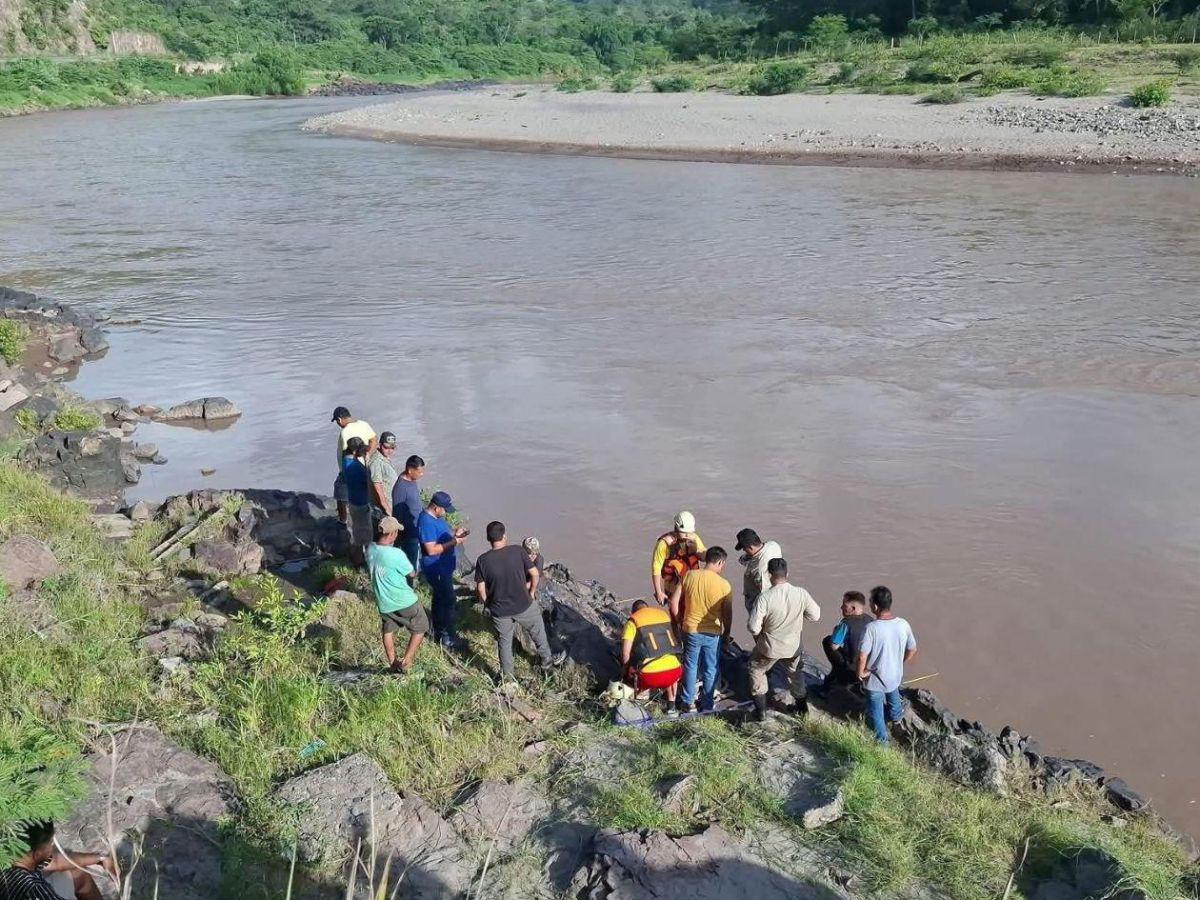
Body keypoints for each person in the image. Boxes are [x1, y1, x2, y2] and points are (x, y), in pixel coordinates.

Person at [474, 521, 564, 683]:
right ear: (504, 536)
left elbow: (481, 590)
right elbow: (535, 574)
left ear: (488, 538)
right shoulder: (517, 551)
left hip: (500, 611)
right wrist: (530, 592)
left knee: (504, 644)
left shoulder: (482, 560)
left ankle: (508, 679)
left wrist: (489, 605)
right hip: (524, 605)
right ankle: (547, 665)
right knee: (538, 634)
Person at [747, 558, 821, 721]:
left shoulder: (765, 597)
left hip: (769, 647)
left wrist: (761, 633)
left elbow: (753, 627)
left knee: (756, 670)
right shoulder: (801, 593)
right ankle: (802, 709)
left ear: (769, 574)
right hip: (793, 647)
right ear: (787, 574)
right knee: (796, 674)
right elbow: (815, 615)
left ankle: (761, 712)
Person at [669, 546, 732, 713]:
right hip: (713, 633)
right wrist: (726, 634)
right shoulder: (724, 585)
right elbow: (727, 615)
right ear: (720, 562)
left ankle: (687, 702)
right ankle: (707, 704)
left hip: (690, 630)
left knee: (690, 665)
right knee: (710, 668)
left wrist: (678, 621)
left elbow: (673, 602)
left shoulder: (689, 575)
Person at [366, 516, 427, 674]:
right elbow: (412, 574)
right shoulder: (396, 554)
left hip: (384, 603)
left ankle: (393, 664)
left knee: (388, 631)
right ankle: (406, 662)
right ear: (392, 534)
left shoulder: (370, 549)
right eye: (396, 532)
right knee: (421, 626)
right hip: (403, 600)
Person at [857, 585, 917, 744]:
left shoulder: (871, 628)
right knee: (893, 693)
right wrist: (900, 661)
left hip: (875, 680)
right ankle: (897, 716)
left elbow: (862, 655)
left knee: (876, 713)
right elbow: (912, 649)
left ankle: (882, 743)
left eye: (870, 602)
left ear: (875, 606)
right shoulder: (903, 624)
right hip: (895, 676)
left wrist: (861, 673)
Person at [0, 820, 114, 900]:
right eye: (51, 844)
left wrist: (100, 858)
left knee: (78, 872)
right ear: (37, 854)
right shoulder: (36, 891)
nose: (53, 847)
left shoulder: (11, 856)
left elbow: (56, 862)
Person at [417, 490, 469, 649]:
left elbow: (443, 533)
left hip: (444, 567)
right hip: (436, 569)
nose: (446, 512)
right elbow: (431, 549)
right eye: (445, 509)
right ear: (436, 507)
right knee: (448, 600)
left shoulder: (437, 518)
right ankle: (448, 638)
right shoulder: (426, 522)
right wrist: (454, 542)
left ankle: (437, 628)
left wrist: (455, 533)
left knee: (439, 598)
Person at [620, 599, 683, 711]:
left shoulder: (633, 621)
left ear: (633, 612)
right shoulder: (664, 615)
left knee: (632, 671)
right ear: (647, 608)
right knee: (670, 662)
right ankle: (671, 707)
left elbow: (625, 654)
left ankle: (638, 702)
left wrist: (625, 673)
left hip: (649, 677)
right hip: (675, 673)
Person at [821, 591, 874, 690]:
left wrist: (835, 631)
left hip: (853, 669)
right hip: (869, 668)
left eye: (844, 605)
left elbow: (834, 646)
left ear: (853, 608)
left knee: (827, 641)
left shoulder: (846, 623)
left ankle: (836, 680)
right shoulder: (871, 620)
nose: (841, 607)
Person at [651, 511, 705, 604]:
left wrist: (695, 550)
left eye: (689, 532)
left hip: (692, 586)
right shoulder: (664, 544)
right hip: (674, 587)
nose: (687, 535)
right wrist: (659, 592)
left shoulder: (694, 538)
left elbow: (704, 557)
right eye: (684, 533)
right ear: (676, 528)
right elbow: (656, 569)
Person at [734, 528, 783, 613]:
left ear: (750, 547)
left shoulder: (759, 570)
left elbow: (763, 594)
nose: (744, 550)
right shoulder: (773, 545)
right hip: (779, 592)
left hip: (760, 604)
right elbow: (744, 559)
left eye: (744, 549)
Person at [340, 437, 371, 566]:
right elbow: (369, 480)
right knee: (367, 535)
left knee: (357, 532)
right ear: (355, 451)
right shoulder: (356, 467)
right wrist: (366, 461)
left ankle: (357, 560)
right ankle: (365, 562)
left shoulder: (345, 461)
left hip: (352, 501)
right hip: (361, 503)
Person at [391, 455, 425, 568]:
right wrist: (399, 537)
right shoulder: (401, 488)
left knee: (414, 560)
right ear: (410, 470)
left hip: (416, 528)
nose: (422, 474)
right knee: (410, 565)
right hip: (408, 533)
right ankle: (409, 583)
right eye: (419, 472)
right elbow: (397, 513)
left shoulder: (411, 480)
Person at [330, 405, 377, 472]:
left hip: (352, 469)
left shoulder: (345, 432)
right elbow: (374, 440)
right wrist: (368, 455)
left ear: (339, 420)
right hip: (367, 466)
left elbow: (347, 454)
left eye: (337, 421)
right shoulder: (363, 424)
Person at [368, 432, 399, 519]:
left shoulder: (384, 457)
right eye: (386, 447)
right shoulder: (376, 461)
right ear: (380, 445)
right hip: (382, 507)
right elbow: (377, 486)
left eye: (392, 448)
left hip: (390, 502)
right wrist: (387, 508)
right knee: (389, 530)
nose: (389, 451)